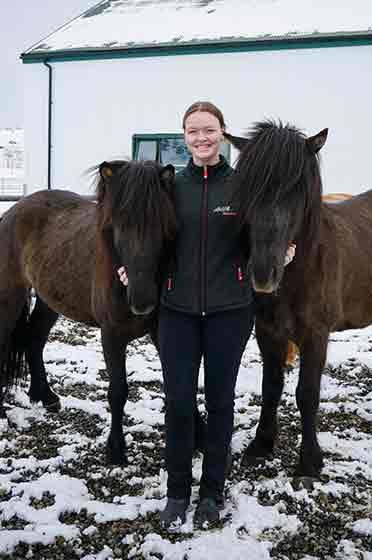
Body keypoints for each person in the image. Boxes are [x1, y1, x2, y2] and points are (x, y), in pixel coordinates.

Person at [118, 101, 293, 529]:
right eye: (193, 131)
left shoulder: (243, 186)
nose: (202, 138)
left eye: (209, 130)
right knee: (178, 403)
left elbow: (268, 229)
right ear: (184, 138)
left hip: (230, 311)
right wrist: (131, 267)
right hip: (176, 311)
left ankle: (212, 492)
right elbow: (144, 237)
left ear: (222, 133)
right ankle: (177, 492)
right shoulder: (169, 187)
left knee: (220, 402)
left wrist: (283, 250)